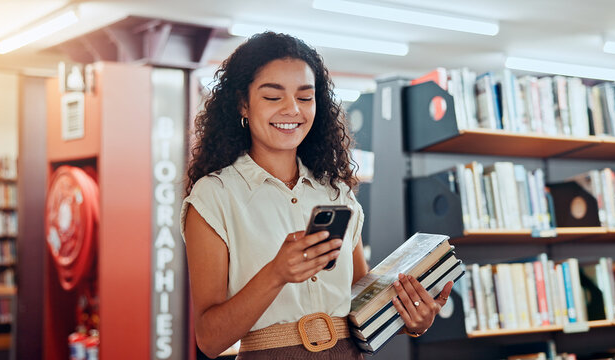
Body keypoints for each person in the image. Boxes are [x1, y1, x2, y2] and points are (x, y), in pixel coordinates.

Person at [181, 31, 453, 359]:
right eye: (272, 96)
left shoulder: (337, 193)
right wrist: (276, 273)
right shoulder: (214, 196)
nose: (292, 109)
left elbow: (360, 308)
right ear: (243, 103)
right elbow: (209, 340)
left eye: (305, 96)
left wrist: (413, 319)